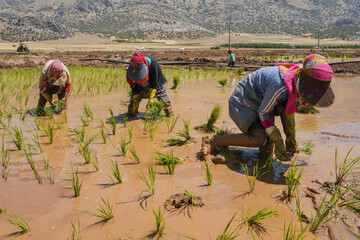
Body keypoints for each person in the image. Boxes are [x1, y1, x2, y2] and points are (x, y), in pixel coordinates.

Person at [201, 54, 334, 164]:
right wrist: (277, 139)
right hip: (244, 102)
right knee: (259, 138)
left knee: (267, 148)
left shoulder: (297, 79)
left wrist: (290, 141)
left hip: (262, 101)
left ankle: (263, 161)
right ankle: (214, 140)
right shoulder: (280, 86)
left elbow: (287, 111)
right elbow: (264, 112)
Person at [126, 52, 173, 117]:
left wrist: (151, 98)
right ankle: (131, 116)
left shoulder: (153, 66)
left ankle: (169, 116)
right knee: (133, 103)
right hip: (140, 85)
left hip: (157, 84)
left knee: (164, 101)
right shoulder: (131, 70)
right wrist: (135, 95)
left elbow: (154, 83)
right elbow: (133, 84)